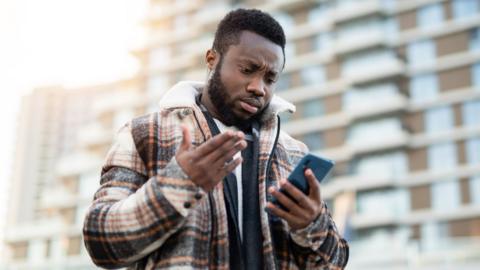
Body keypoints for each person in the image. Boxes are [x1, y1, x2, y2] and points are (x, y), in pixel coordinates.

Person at [83, 8, 349, 270]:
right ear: (211, 59)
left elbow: (334, 263)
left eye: (270, 78)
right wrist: (176, 187)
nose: (259, 88)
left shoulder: (292, 152)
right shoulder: (145, 134)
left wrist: (312, 225)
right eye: (247, 69)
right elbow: (100, 242)